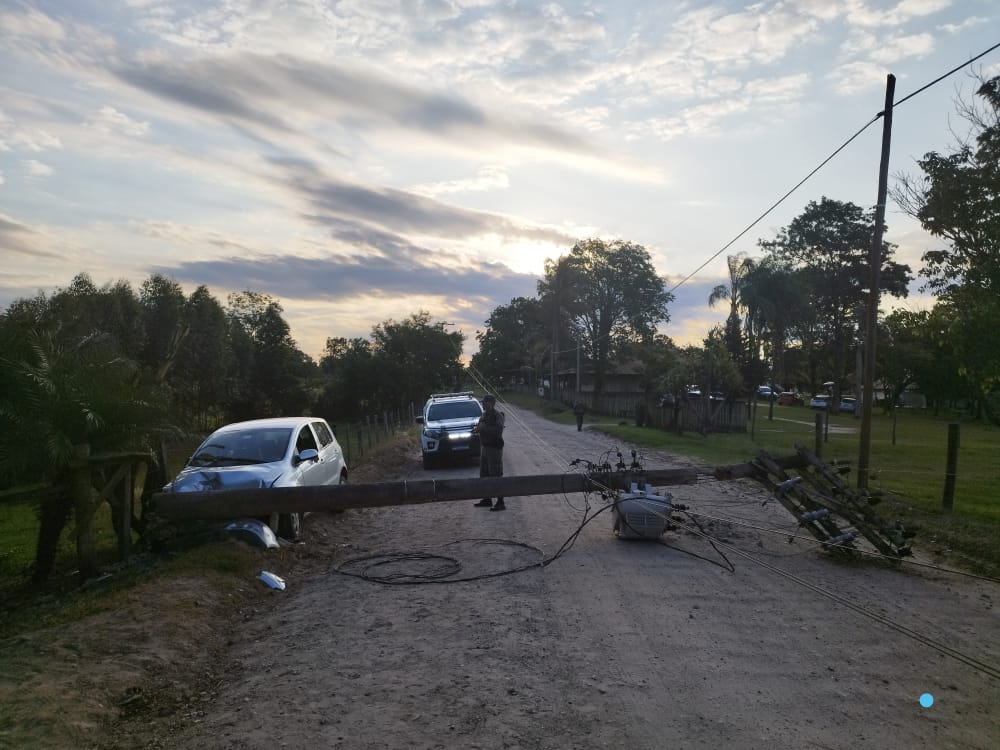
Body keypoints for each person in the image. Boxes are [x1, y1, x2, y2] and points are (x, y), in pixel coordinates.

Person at [473, 394, 506, 511]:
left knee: (496, 475)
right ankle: (487, 499)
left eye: (485, 402)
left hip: (494, 449)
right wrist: (478, 428)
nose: (482, 404)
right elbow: (480, 425)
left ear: (491, 403)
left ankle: (500, 501)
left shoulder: (498, 416)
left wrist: (482, 427)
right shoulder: (484, 414)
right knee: (484, 475)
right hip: (485, 448)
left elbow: (497, 430)